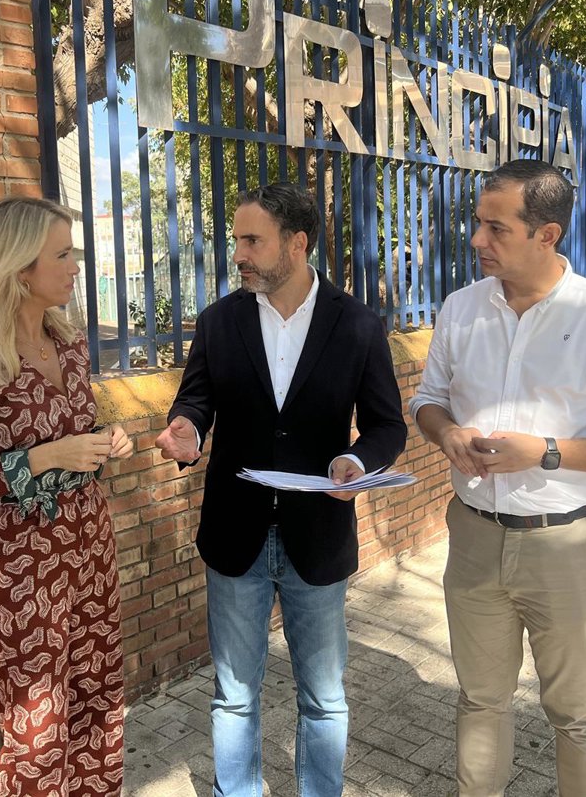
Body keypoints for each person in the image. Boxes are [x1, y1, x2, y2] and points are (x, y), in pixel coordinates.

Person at [410, 159, 586, 797]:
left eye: (496, 228)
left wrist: (546, 453)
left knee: (578, 712)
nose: (477, 239)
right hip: (474, 537)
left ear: (547, 235)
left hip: (569, 543)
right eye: (478, 223)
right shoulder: (461, 308)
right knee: (481, 699)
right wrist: (446, 433)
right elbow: (428, 399)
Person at [156, 182, 407, 797]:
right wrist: (187, 427)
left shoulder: (356, 324)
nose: (238, 255)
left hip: (316, 537)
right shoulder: (219, 321)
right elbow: (196, 400)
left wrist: (356, 459)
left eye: (252, 241)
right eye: (237, 240)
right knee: (233, 695)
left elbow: (388, 425)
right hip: (234, 535)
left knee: (323, 698)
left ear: (296, 243)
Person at [0, 197, 132, 797]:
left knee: (100, 707)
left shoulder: (68, 344)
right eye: (62, 255)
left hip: (90, 549)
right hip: (25, 568)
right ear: (20, 268)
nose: (75, 266)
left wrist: (105, 441)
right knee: (37, 735)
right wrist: (40, 459)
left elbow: (73, 435)